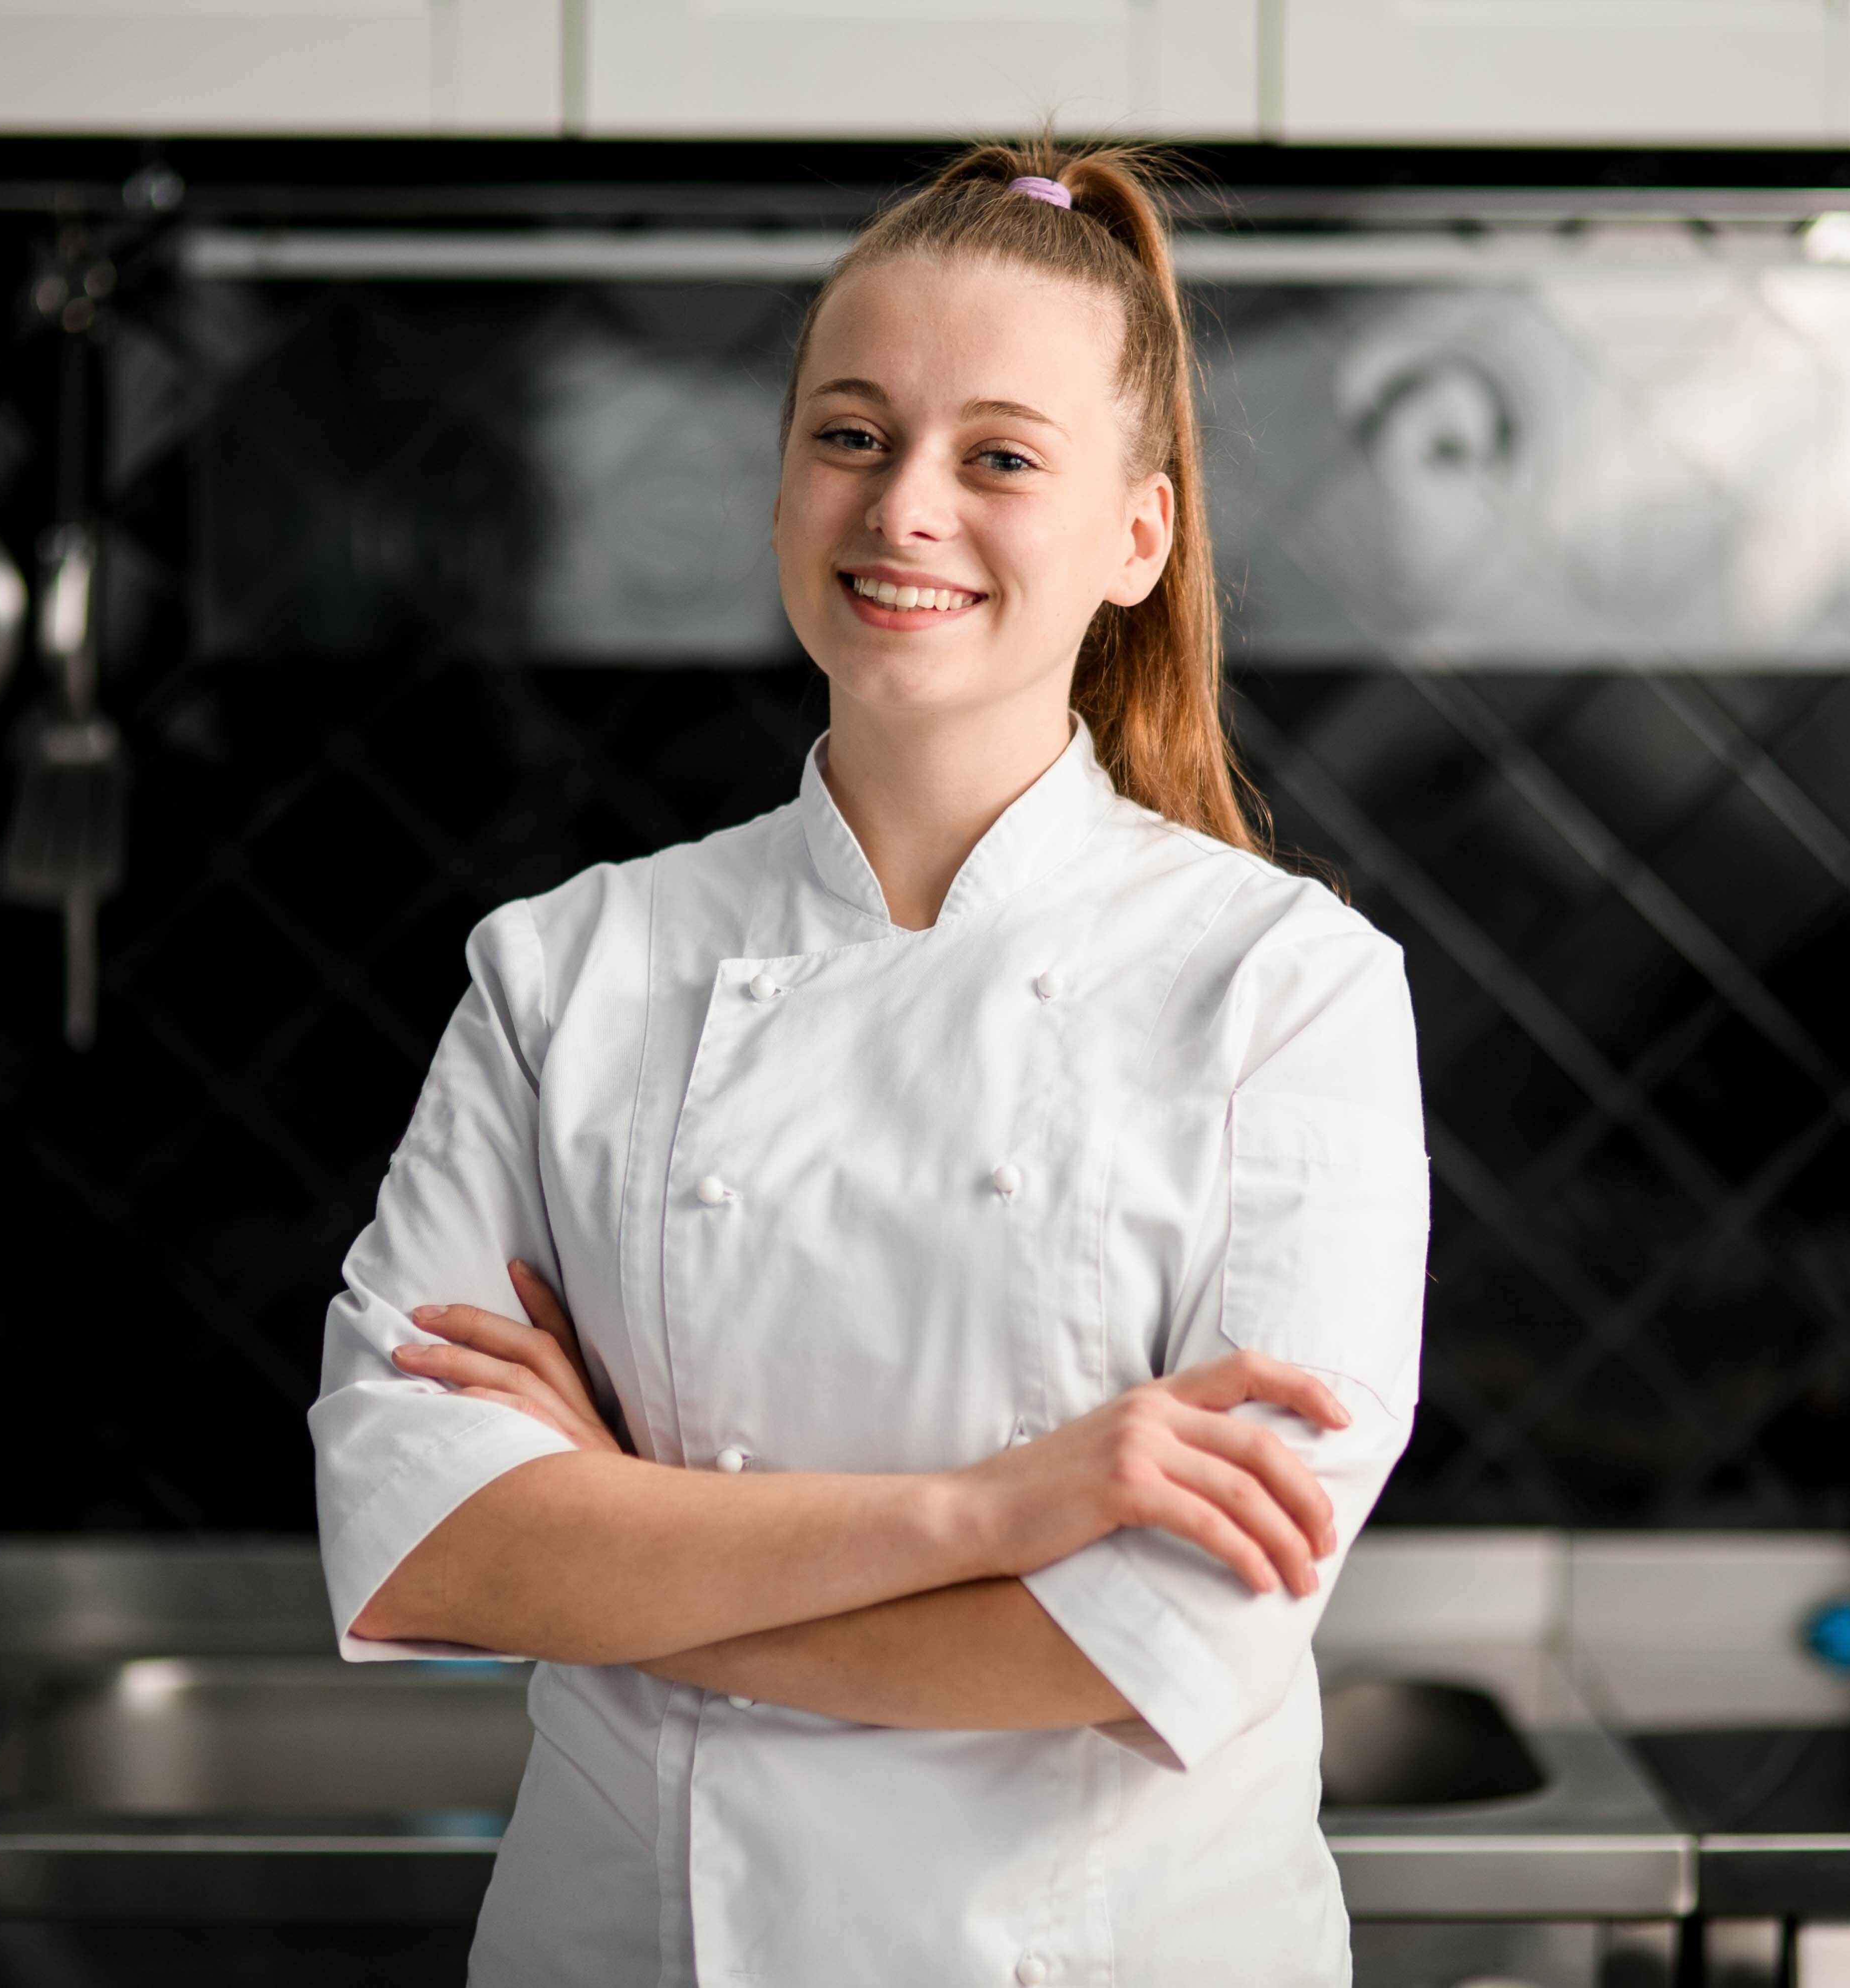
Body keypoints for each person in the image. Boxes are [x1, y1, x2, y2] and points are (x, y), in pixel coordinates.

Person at [310, 139, 1430, 1988]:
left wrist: (627, 1573)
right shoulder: (568, 971)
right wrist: (986, 1519)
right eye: (850, 434)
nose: (904, 507)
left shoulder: (1283, 990)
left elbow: (1155, 1646)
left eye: (998, 456)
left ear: (1136, 537)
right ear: (780, 489)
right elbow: (426, 1547)